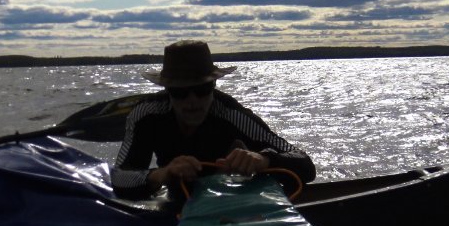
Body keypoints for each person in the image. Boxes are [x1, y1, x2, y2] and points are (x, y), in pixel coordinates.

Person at [112, 40, 316, 199]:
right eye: (180, 92)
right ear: (167, 91)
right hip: (176, 203)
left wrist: (264, 159)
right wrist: (161, 175)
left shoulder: (232, 115)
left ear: (214, 86)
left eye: (202, 90)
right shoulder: (145, 116)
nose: (192, 102)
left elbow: (304, 163)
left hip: (229, 205)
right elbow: (119, 178)